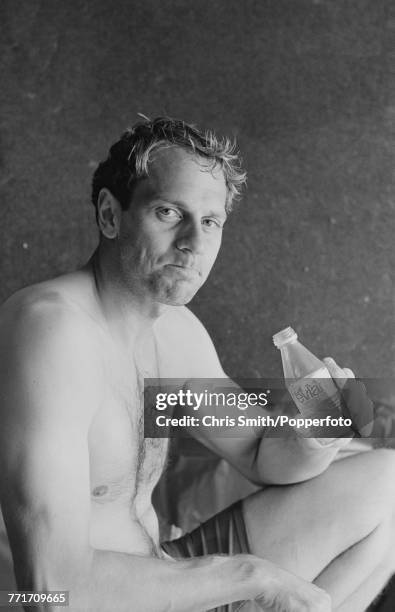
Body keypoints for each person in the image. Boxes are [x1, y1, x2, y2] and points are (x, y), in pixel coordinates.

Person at [0, 115, 394, 612]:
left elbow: (256, 453)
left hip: (159, 573)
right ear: (110, 215)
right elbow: (50, 587)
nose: (194, 242)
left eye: (211, 222)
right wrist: (250, 576)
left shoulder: (174, 330)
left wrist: (314, 437)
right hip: (76, 599)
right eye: (168, 212)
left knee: (385, 484)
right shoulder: (49, 333)